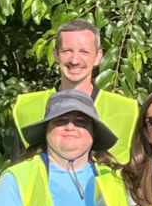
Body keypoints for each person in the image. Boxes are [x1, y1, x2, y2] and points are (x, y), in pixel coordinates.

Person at [11, 20, 139, 159]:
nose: (75, 60)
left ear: (98, 57)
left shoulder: (127, 111)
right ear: (56, 54)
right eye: (67, 51)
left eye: (84, 51)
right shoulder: (26, 108)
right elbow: (18, 171)